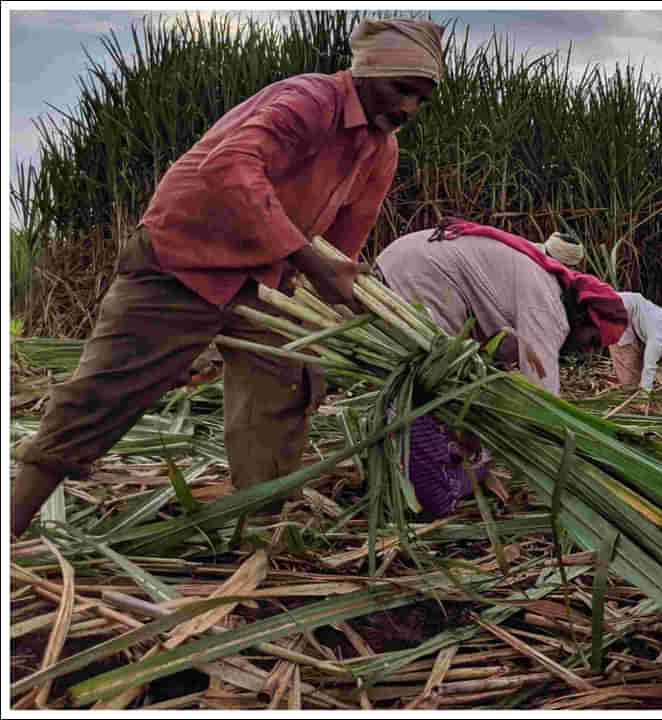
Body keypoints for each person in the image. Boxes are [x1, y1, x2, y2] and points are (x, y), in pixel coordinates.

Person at [9, 19, 447, 538]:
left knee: (286, 384)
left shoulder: (380, 149)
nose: (408, 110)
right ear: (369, 70)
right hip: (182, 262)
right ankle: (12, 524)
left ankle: (261, 531)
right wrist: (310, 263)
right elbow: (229, 165)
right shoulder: (308, 102)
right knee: (102, 394)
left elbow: (342, 245)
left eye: (421, 99)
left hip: (265, 280)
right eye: (402, 90)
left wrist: (353, 305)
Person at [375, 220, 626, 517]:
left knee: (436, 385)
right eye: (592, 340)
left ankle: (412, 472)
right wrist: (568, 465)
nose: (587, 350)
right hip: (422, 272)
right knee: (423, 385)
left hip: (407, 259)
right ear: (584, 317)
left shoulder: (541, 279)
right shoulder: (548, 306)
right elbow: (544, 403)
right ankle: (423, 491)